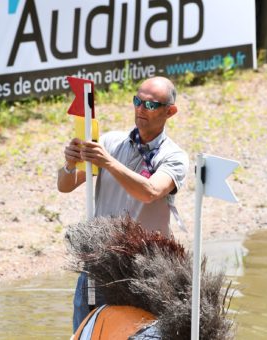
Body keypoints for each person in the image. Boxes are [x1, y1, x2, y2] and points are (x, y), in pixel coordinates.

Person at [57, 76, 189, 332]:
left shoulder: (174, 157)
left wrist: (108, 163)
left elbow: (150, 191)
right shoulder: (110, 143)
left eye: (151, 105)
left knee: (136, 334)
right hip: (99, 262)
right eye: (137, 101)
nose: (141, 109)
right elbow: (66, 185)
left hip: (143, 268)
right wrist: (69, 163)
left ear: (169, 111)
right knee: (86, 332)